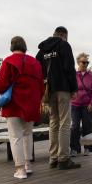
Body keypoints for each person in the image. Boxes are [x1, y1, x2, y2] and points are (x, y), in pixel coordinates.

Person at [0, 36, 44, 179]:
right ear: (24, 46)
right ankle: (28, 164)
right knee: (28, 134)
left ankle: (20, 170)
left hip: (14, 104)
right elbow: (41, 86)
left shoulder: (8, 61)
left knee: (16, 136)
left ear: (12, 46)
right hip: (31, 105)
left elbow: (0, 85)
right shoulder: (35, 63)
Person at [36, 26, 80, 169]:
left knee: (53, 122)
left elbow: (37, 68)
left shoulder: (42, 50)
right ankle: (64, 158)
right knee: (65, 123)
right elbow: (69, 68)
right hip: (63, 89)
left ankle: (53, 158)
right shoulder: (64, 45)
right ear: (64, 35)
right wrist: (74, 88)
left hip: (49, 90)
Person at [70, 52, 92, 157]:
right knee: (75, 126)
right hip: (75, 105)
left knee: (87, 127)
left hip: (87, 105)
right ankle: (74, 149)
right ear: (78, 63)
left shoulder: (90, 76)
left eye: (87, 62)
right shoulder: (74, 75)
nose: (85, 64)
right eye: (83, 62)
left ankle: (87, 147)